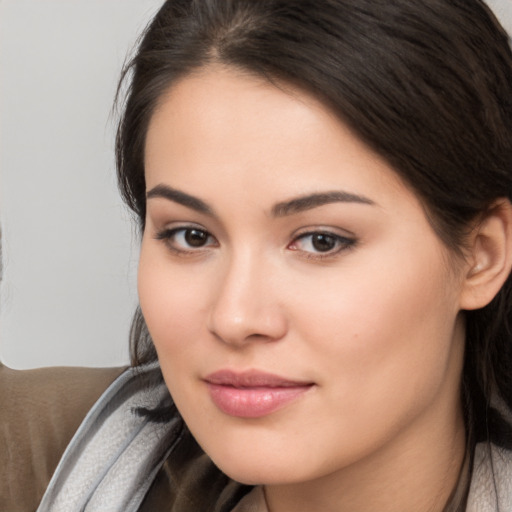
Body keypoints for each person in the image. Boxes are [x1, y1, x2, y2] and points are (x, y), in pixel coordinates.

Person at [5, 0, 512, 510]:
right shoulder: (37, 457)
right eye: (191, 236)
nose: (235, 317)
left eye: (321, 241)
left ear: (482, 255)